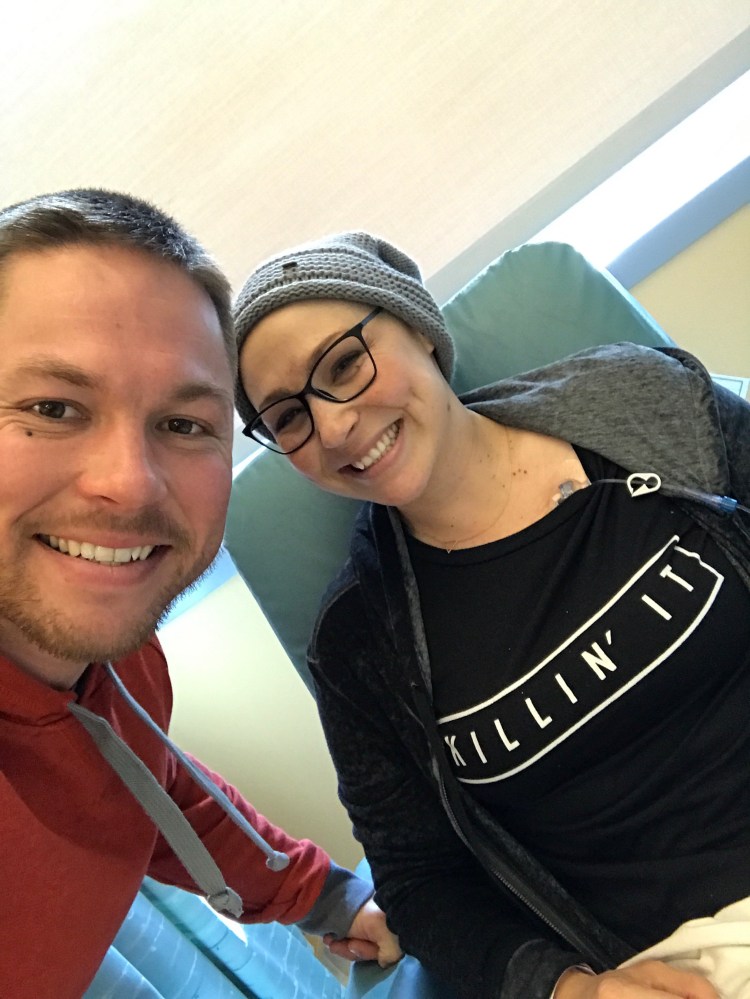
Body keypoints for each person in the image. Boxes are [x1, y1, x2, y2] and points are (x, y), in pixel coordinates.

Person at [233, 231, 750, 999]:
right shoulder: (358, 643)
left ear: (418, 327)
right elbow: (419, 879)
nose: (333, 426)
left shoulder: (640, 402)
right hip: (697, 962)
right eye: (288, 417)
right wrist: (571, 989)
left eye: (343, 365)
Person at [0, 194, 401, 999]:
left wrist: (322, 895)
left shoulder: (122, 662)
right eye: (52, 408)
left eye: (184, 424)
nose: (129, 483)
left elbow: (140, 783)